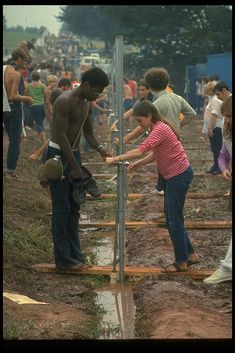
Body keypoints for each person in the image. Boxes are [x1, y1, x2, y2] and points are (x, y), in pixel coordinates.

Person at [106, 100, 200, 272]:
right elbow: (156, 153)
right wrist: (139, 164)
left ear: (150, 116)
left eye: (140, 120)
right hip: (173, 176)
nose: (139, 124)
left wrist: (116, 159)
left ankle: (181, 261)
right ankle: (191, 255)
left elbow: (140, 149)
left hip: (178, 176)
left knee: (174, 220)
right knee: (172, 217)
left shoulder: (160, 129)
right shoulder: (156, 127)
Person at [44, 67, 112, 271]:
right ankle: (64, 261)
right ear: (86, 84)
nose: (97, 95)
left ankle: (76, 255)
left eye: (101, 92)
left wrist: (100, 149)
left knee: (74, 208)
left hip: (73, 155)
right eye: (96, 90)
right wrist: (74, 167)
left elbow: (88, 132)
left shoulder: (86, 104)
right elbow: (61, 135)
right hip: (58, 156)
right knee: (61, 209)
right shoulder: (64, 102)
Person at [204, 95, 232, 284]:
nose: (227, 120)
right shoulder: (227, 133)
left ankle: (227, 268)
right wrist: (224, 169)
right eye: (226, 116)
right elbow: (222, 156)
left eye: (230, 116)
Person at [3, 48, 34, 179]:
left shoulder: (4, 69)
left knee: (11, 138)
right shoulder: (16, 75)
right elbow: (13, 96)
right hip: (14, 109)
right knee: (15, 140)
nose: (25, 65)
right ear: (19, 59)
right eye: (25, 61)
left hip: (4, 108)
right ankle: (10, 170)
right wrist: (27, 99)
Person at [202, 81, 224, 174]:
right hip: (214, 128)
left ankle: (219, 167)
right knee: (214, 149)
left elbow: (214, 115)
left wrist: (210, 128)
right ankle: (215, 165)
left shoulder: (215, 100)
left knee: (217, 148)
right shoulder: (212, 99)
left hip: (216, 128)